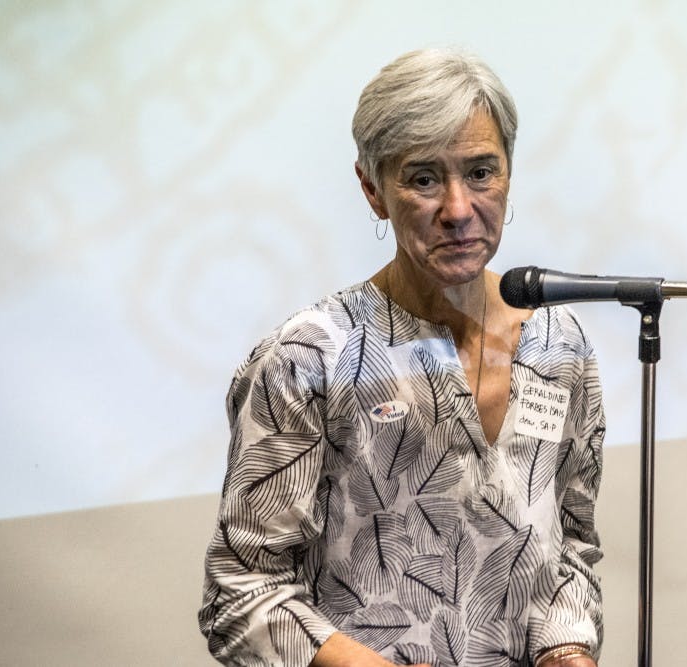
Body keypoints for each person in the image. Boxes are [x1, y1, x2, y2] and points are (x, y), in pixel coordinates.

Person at [199, 48, 605, 667]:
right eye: (422, 178)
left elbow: (569, 548)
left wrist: (567, 649)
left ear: (510, 173)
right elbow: (241, 594)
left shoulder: (559, 341)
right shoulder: (310, 358)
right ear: (372, 189)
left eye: (480, 172)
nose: (459, 210)